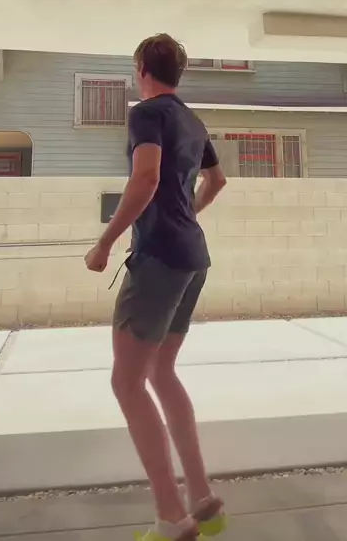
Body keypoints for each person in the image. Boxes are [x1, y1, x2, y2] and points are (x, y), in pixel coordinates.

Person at [85, 33, 227, 541]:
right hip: (193, 256)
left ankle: (172, 516)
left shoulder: (146, 114)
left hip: (159, 259)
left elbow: (145, 179)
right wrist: (187, 216)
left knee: (127, 382)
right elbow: (216, 182)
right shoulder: (193, 120)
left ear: (142, 68)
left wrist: (105, 243)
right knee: (162, 371)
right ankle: (202, 499)